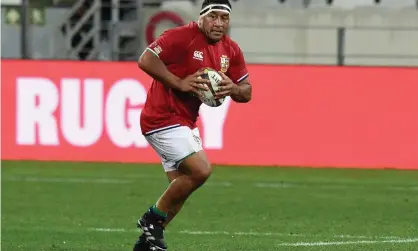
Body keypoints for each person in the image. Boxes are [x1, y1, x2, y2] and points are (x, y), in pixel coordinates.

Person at [133, 0, 252, 250]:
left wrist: (234, 88)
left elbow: (247, 91)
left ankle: (148, 245)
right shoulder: (181, 36)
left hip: (185, 121)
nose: (219, 23)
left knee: (181, 189)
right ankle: (150, 219)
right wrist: (178, 82)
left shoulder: (231, 50)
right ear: (201, 17)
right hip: (161, 116)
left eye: (224, 18)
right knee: (201, 170)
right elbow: (146, 59)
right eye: (213, 17)